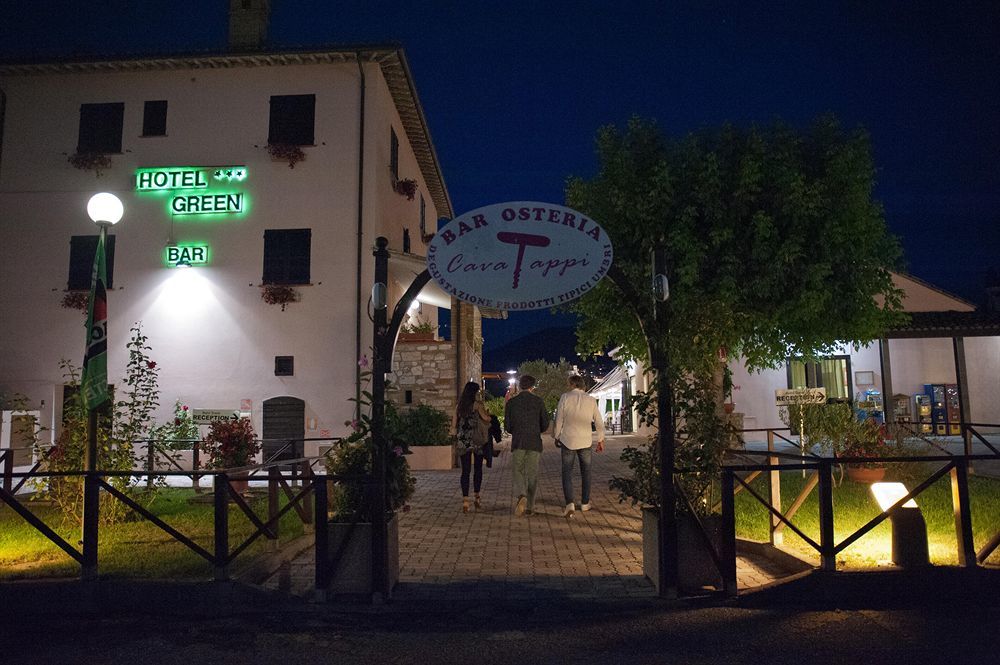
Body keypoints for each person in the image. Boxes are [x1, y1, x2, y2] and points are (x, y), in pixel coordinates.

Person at [553, 375, 605, 517]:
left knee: (567, 473)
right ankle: (585, 503)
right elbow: (599, 421)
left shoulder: (565, 397)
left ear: (572, 384)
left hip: (568, 439)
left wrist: (557, 435)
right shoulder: (591, 400)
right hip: (585, 440)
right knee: (586, 472)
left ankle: (569, 503)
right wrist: (600, 439)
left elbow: (559, 419)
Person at [503, 375, 550, 516]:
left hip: (518, 441)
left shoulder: (512, 403)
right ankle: (530, 506)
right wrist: (537, 430)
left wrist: (516, 430)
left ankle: (521, 494)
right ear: (532, 387)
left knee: (518, 470)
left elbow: (507, 426)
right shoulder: (538, 401)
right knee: (532, 474)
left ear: (520, 386)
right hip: (534, 441)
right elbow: (545, 423)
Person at [454, 381, 491, 513]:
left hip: (463, 441)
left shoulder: (459, 406)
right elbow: (486, 418)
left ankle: (465, 500)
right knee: (477, 469)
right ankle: (477, 496)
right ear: (474, 393)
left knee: (465, 471)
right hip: (477, 440)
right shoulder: (477, 405)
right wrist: (488, 415)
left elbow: (454, 424)